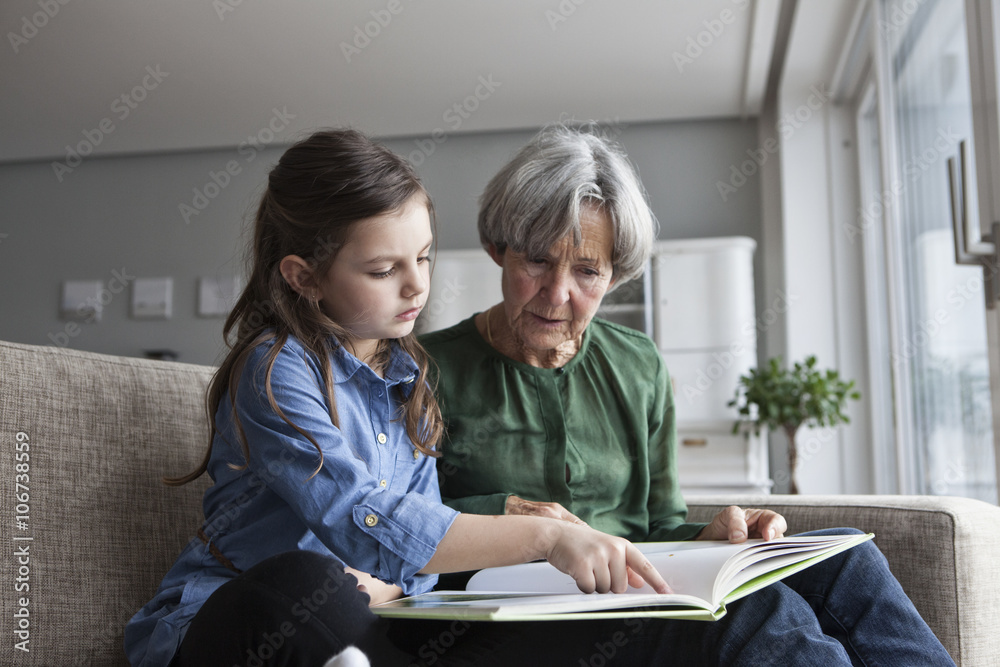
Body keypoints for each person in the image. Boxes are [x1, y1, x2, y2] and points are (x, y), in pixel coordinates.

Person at [122, 128, 674, 667]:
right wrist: (545, 536)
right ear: (305, 277)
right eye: (385, 269)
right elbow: (362, 517)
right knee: (307, 583)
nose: (416, 286)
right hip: (249, 617)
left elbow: (418, 548)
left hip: (369, 620)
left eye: (424, 258)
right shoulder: (276, 369)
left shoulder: (410, 377)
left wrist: (389, 585)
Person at [420, 124, 957, 665]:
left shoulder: (638, 363)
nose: (557, 294)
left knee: (849, 560)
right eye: (537, 259)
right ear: (498, 247)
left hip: (631, 588)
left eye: (587, 271)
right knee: (757, 613)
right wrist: (511, 513)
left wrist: (712, 533)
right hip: (503, 614)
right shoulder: (424, 370)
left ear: (614, 275)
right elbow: (393, 521)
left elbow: (657, 526)